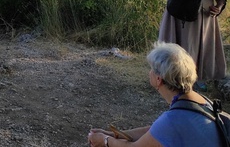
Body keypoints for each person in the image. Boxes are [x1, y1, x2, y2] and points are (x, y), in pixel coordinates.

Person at [87, 42, 221, 147]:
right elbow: (155, 132)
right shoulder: (200, 102)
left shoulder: (173, 119)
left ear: (159, 79)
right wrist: (114, 134)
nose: (149, 72)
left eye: (151, 69)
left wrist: (105, 141)